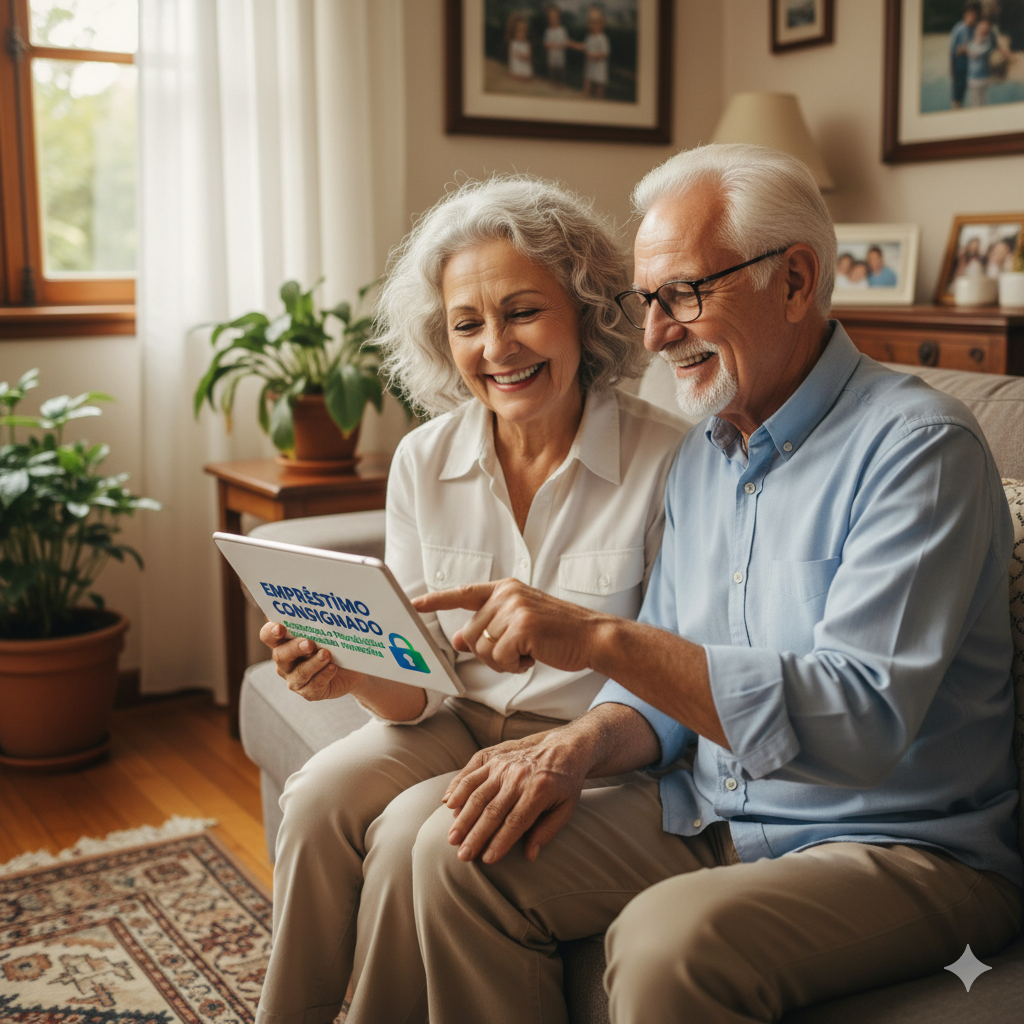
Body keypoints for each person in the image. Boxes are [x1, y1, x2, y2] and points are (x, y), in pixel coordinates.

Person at [411, 144, 1022, 1024]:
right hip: (716, 813)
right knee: (458, 852)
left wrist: (596, 636)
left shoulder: (918, 451)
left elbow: (864, 720)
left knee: (664, 943)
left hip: (908, 846)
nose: (655, 334)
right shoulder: (703, 458)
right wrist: (576, 746)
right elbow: (662, 696)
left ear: (796, 280)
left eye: (684, 295)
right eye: (647, 301)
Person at [253, 175, 685, 1024]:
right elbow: (416, 691)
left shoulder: (670, 459)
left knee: (419, 832)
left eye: (523, 311)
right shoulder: (422, 459)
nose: (497, 346)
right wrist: (351, 672)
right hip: (449, 718)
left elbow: (665, 673)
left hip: (590, 742)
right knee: (314, 797)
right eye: (467, 324)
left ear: (587, 311)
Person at [965, 14, 1011, 106]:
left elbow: (977, 52)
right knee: (975, 104)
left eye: (985, 30)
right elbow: (972, 52)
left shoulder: (987, 44)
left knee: (983, 103)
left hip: (984, 78)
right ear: (977, 29)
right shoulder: (971, 43)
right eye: (980, 29)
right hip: (973, 80)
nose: (982, 31)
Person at [949, 2, 980, 108]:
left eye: (975, 14)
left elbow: (979, 49)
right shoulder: (958, 29)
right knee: (958, 97)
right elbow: (953, 52)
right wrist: (951, 69)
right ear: (965, 14)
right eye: (970, 14)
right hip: (960, 68)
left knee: (975, 98)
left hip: (974, 69)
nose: (973, 17)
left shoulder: (977, 29)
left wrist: (967, 49)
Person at [580, 5, 610, 98]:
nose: (593, 25)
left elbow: (605, 53)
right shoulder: (589, 37)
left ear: (602, 23)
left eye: (596, 22)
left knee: (599, 88)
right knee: (587, 84)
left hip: (599, 70)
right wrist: (570, 43)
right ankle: (586, 101)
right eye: (590, 22)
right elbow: (584, 47)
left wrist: (593, 56)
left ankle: (599, 105)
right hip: (590, 68)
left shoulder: (602, 38)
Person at [543, 5, 570, 83]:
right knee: (552, 75)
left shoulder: (562, 30)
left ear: (559, 18)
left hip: (560, 60)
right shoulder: (548, 31)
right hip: (551, 59)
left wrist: (560, 45)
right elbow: (546, 44)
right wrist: (552, 46)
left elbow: (566, 43)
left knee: (560, 75)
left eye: (555, 18)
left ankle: (560, 86)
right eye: (551, 18)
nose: (553, 20)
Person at [507, 14, 533, 80]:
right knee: (516, 72)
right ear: (514, 32)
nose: (522, 34)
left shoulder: (527, 43)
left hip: (525, 65)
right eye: (519, 31)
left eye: (524, 31)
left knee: (527, 73)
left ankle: (523, 75)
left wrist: (526, 56)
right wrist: (522, 56)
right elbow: (515, 54)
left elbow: (529, 55)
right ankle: (516, 74)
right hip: (517, 65)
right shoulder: (513, 43)